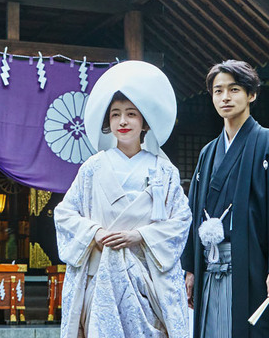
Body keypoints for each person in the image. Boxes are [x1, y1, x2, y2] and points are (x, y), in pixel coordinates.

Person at [54, 60, 193, 338]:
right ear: (108, 122)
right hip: (101, 275)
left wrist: (139, 235)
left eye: (131, 114)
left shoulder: (163, 170)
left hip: (148, 278)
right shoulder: (92, 168)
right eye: (116, 114)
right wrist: (96, 232)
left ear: (144, 122)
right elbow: (65, 214)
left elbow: (181, 220)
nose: (123, 121)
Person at [180, 60, 269, 338]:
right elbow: (192, 214)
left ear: (251, 94)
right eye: (218, 91)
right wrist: (191, 268)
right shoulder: (208, 153)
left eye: (234, 89)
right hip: (210, 266)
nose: (225, 97)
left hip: (254, 266)